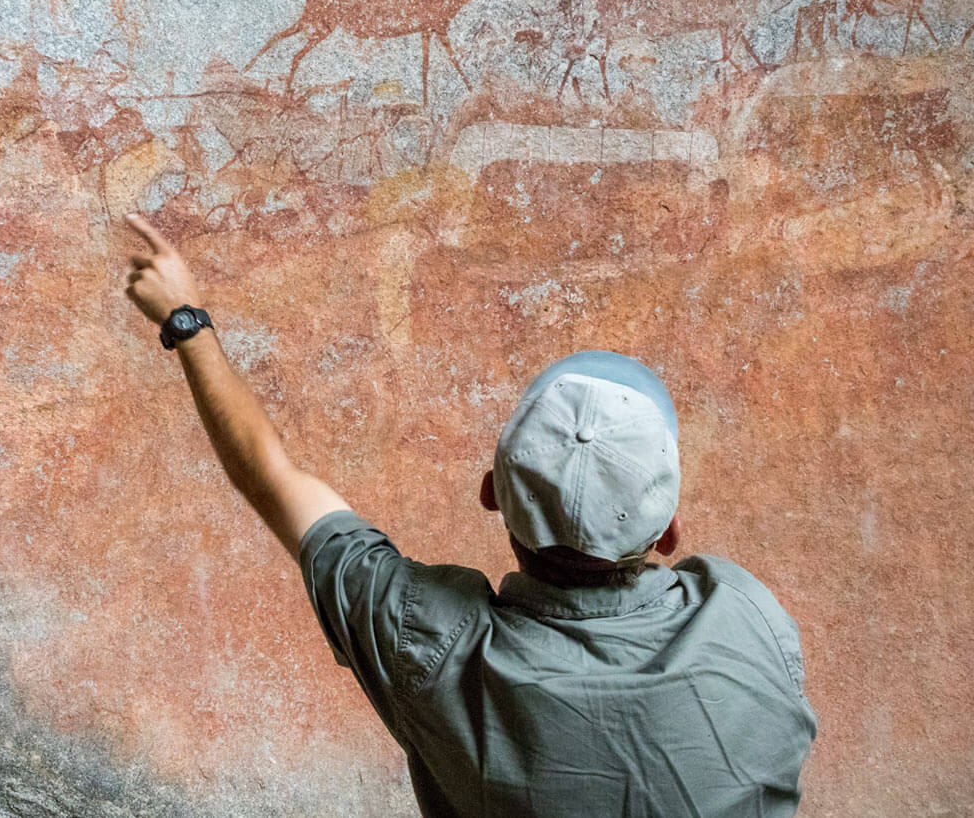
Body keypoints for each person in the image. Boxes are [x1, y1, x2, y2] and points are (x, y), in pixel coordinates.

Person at [122, 212, 817, 817]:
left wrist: (187, 321)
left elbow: (271, 474)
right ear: (668, 532)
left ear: (491, 493)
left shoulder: (426, 640)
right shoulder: (747, 617)